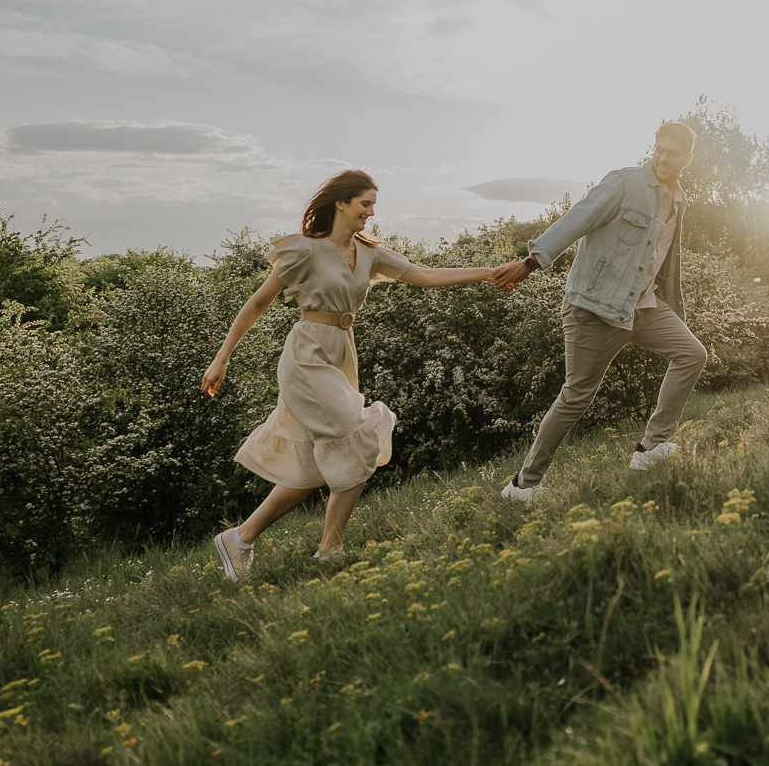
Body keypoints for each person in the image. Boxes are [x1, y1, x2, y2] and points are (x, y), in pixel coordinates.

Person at [200, 170, 503, 581]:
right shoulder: (306, 249)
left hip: (342, 352)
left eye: (373, 205)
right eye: (365, 204)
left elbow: (425, 276)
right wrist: (222, 359)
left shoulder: (368, 252)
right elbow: (257, 303)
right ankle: (331, 548)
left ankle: (238, 539)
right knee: (359, 433)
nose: (371, 213)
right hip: (307, 356)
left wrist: (487, 272)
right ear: (341, 203)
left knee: (311, 468)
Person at [488, 121, 704, 501]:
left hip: (644, 306)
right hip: (595, 307)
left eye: (672, 153)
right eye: (659, 149)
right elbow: (576, 219)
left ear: (688, 158)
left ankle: (651, 448)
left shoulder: (679, 199)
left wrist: (674, 307)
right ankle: (523, 486)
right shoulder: (625, 183)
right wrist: (531, 262)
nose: (663, 158)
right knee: (577, 396)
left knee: (691, 354)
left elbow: (667, 259)